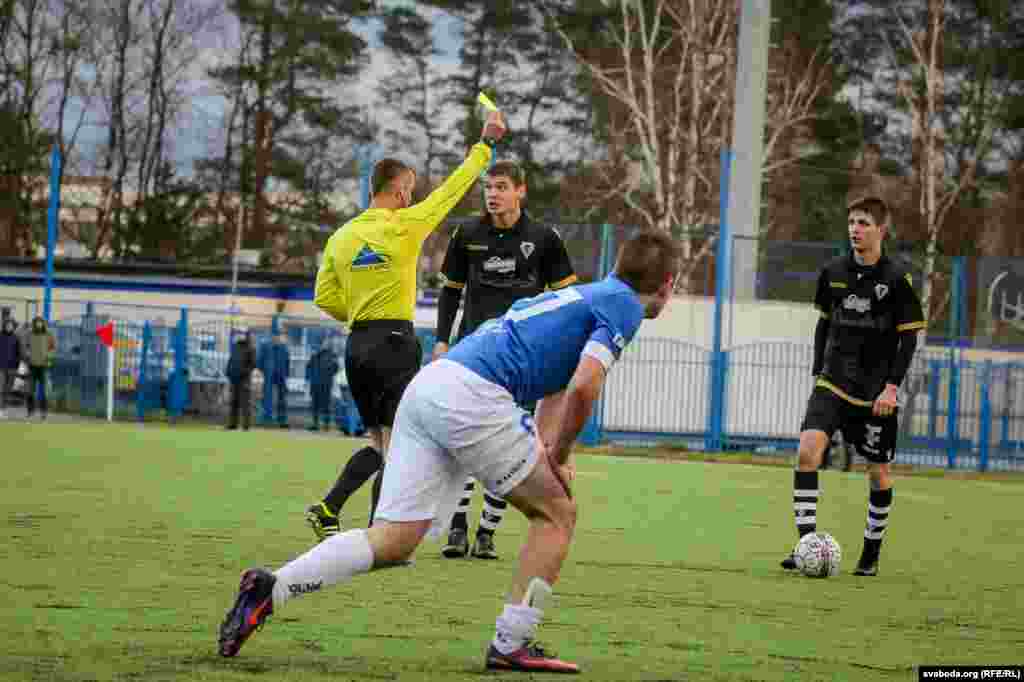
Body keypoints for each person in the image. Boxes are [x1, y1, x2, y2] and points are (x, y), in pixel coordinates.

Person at [217, 229, 681, 673]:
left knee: (395, 540)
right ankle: (512, 643)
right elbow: (585, 386)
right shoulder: (625, 306)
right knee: (558, 514)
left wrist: (544, 444)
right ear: (667, 284)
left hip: (432, 386)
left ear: (617, 266)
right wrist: (558, 456)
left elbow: (558, 385)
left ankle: (270, 589)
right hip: (473, 396)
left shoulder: (588, 295)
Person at [303, 109, 508, 540]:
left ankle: (329, 508)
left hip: (357, 345)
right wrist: (485, 145)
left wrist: (358, 309)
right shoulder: (404, 225)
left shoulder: (342, 237)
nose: (413, 199)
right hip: (395, 342)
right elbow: (452, 191)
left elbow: (323, 296)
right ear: (397, 191)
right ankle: (380, 534)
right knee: (398, 449)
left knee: (378, 442)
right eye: (410, 191)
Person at [431, 160, 577, 561]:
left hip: (524, 359)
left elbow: (568, 301)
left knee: (509, 443)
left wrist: (560, 349)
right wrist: (442, 341)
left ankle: (487, 533)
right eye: (488, 188)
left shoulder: (545, 238)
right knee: (463, 440)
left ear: (521, 191)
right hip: (471, 357)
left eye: (500, 187)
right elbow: (450, 293)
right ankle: (458, 528)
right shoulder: (467, 234)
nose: (492, 194)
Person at [780, 196, 925, 577]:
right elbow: (823, 325)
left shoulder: (898, 280)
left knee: (877, 473)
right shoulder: (832, 272)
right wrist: (817, 373)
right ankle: (805, 546)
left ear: (881, 229)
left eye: (863, 223)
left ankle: (870, 554)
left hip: (876, 394)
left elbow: (908, 340)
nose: (855, 229)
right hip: (833, 382)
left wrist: (891, 388)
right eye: (852, 223)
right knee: (807, 451)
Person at [23, 316, 56, 419]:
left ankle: (43, 412)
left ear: (43, 324)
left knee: (45, 391)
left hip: (44, 366)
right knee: (30, 390)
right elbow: (25, 347)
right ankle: (30, 411)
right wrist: (27, 356)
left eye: (40, 322)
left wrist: (49, 358)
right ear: (34, 324)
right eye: (36, 323)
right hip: (32, 366)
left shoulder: (48, 334)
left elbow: (53, 348)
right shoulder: (29, 334)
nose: (38, 324)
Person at [257, 330, 290, 428]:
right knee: (267, 398)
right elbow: (259, 361)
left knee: (282, 398)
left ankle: (282, 419)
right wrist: (265, 371)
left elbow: (287, 361)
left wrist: (286, 373)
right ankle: (267, 418)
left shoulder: (283, 347)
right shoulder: (265, 346)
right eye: (275, 335)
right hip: (269, 374)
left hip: (280, 375)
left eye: (278, 335)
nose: (277, 337)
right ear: (271, 335)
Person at [225, 329, 256, 431]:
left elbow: (252, 365)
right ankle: (232, 424)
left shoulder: (251, 348)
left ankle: (246, 425)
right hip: (234, 378)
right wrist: (228, 371)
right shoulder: (235, 347)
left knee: (245, 403)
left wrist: (244, 372)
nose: (239, 336)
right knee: (234, 402)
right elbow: (231, 360)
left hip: (244, 379)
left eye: (241, 334)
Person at [306, 339, 339, 432]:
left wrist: (328, 375)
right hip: (315, 384)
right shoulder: (315, 355)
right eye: (323, 344)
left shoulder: (332, 355)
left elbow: (335, 368)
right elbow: (308, 367)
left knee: (326, 405)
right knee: (314, 405)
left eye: (326, 344)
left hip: (326, 384)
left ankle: (326, 424)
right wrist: (308, 379)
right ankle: (315, 424)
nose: (324, 345)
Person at [0, 318, 22, 419]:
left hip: (12, 368)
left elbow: (19, 353)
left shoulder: (16, 338)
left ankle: (3, 409)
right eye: (7, 325)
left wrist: (17, 366)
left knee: (7, 390)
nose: (9, 326)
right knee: (1, 388)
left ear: (13, 326)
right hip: (1, 367)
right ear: (4, 325)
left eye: (11, 325)